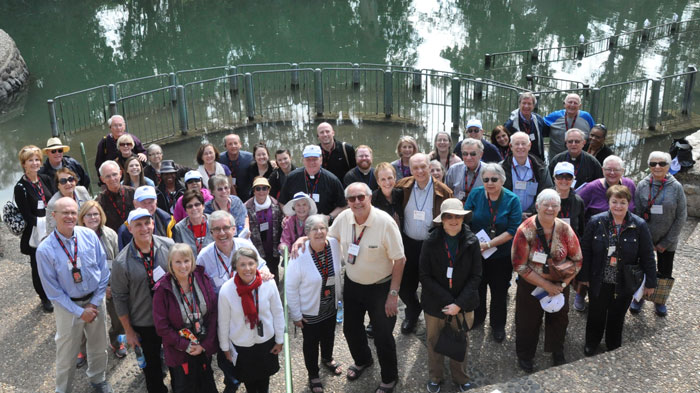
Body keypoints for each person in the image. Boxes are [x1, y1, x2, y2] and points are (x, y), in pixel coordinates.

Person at [293, 182, 405, 393]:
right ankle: (363, 360)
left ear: (370, 197)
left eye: (361, 197)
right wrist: (303, 239)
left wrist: (393, 294)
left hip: (381, 288)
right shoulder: (344, 217)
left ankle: (390, 378)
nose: (357, 202)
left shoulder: (385, 222)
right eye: (352, 199)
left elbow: (400, 260)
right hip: (353, 284)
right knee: (351, 329)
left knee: (383, 336)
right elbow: (327, 237)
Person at [36, 197, 113, 393]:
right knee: (66, 353)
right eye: (65, 213)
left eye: (73, 212)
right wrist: (80, 312)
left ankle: (98, 379)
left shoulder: (88, 235)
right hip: (68, 307)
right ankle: (63, 389)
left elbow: (104, 271)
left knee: (99, 346)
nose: (70, 217)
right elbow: (53, 292)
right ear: (54, 216)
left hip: (95, 301)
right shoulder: (45, 250)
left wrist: (94, 304)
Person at [578, 185, 656, 356]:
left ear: (629, 203)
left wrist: (651, 282)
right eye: (614, 202)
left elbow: (647, 255)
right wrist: (583, 276)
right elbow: (586, 250)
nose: (618, 206)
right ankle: (592, 343)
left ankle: (613, 344)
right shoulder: (596, 221)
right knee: (596, 314)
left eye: (622, 202)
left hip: (624, 280)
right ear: (608, 202)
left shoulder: (639, 225)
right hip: (599, 277)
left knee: (617, 315)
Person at [510, 189, 582, 372]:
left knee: (559, 319)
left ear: (559, 208)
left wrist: (562, 285)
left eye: (554, 205)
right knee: (527, 321)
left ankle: (557, 350)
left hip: (559, 283)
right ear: (537, 206)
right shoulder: (525, 230)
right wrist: (546, 285)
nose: (550, 208)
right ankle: (525, 355)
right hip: (532, 284)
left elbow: (578, 260)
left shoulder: (565, 229)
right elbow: (519, 265)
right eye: (546, 204)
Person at [196, 210, 268, 392]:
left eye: (226, 228)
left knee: (251, 358)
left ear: (234, 229)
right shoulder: (203, 257)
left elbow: (261, 266)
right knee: (227, 358)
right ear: (210, 233)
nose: (222, 233)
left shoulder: (245, 245)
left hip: (249, 315)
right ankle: (232, 381)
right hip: (223, 319)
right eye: (217, 229)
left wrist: (265, 272)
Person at [419, 199, 481, 393]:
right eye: (449, 216)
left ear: (463, 218)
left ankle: (461, 378)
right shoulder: (430, 242)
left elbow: (476, 275)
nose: (454, 220)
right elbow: (424, 275)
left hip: (464, 304)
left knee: (461, 341)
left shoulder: (472, 241)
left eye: (458, 216)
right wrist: (448, 301)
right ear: (442, 220)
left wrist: (459, 304)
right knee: (434, 341)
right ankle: (435, 377)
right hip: (436, 303)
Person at [112, 208, 174, 393]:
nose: (144, 228)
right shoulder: (121, 262)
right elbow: (120, 298)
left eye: (147, 223)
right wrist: (129, 331)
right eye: (138, 225)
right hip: (144, 322)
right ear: (130, 229)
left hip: (171, 318)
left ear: (153, 224)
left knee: (177, 361)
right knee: (152, 368)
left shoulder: (169, 246)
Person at [395, 153, 453, 335]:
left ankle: (433, 319)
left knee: (432, 285)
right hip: (408, 244)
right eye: (415, 168)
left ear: (430, 167)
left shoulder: (444, 192)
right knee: (405, 286)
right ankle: (412, 311)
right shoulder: (402, 187)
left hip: (431, 246)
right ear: (410, 169)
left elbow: (449, 221)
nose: (419, 171)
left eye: (423, 167)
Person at [285, 215, 343, 393]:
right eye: (314, 229)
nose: (319, 232)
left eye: (322, 228)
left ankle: (327, 358)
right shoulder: (298, 255)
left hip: (330, 305)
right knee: (310, 343)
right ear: (307, 233)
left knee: (329, 335)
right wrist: (295, 314)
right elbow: (290, 287)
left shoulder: (334, 244)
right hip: (310, 310)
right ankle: (313, 374)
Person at [464, 163, 522, 342]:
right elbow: (465, 220)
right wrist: (474, 242)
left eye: (494, 179)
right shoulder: (475, 194)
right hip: (477, 253)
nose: (490, 183)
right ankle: (479, 318)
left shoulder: (512, 199)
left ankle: (497, 326)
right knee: (478, 288)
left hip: (501, 255)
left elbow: (513, 230)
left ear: (502, 180)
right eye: (486, 179)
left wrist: (488, 244)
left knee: (499, 292)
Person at [152, 244, 218, 393]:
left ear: (193, 261)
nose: (183, 266)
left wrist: (205, 344)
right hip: (179, 351)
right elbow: (162, 326)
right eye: (178, 262)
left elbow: (213, 313)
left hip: (202, 346)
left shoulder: (202, 278)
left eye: (186, 261)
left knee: (206, 386)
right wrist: (185, 345)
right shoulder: (163, 289)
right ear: (170, 263)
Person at [217, 247, 285, 393]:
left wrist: (279, 340)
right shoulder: (226, 290)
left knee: (264, 380)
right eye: (242, 265)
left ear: (256, 264)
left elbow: (278, 313)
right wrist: (225, 348)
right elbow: (223, 323)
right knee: (250, 384)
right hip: (242, 346)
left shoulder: (268, 284)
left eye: (251, 264)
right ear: (235, 267)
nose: (247, 269)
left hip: (265, 342)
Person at [631, 151, 687, 317]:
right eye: (653, 163)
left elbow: (681, 216)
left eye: (662, 163)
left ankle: (659, 300)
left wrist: (666, 242)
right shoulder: (642, 185)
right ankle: (639, 297)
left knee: (664, 271)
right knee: (642, 269)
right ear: (648, 166)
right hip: (645, 238)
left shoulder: (676, 187)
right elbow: (638, 214)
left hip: (667, 240)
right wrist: (643, 239)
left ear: (668, 167)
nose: (657, 167)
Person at [78, 201, 126, 360]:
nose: (93, 218)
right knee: (85, 319)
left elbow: (117, 261)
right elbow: (78, 268)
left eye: (95, 214)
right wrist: (100, 289)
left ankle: (117, 341)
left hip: (111, 283)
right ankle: (82, 350)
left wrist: (112, 285)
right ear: (82, 218)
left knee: (118, 315)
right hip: (86, 287)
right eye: (88, 215)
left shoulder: (110, 234)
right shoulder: (75, 237)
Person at [15, 145, 55, 312]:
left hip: (52, 227)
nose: (35, 163)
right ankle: (44, 298)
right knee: (38, 266)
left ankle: (56, 291)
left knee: (55, 262)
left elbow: (53, 202)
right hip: (36, 232)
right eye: (30, 160)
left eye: (37, 159)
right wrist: (44, 226)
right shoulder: (20, 187)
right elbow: (27, 216)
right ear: (24, 164)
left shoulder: (45, 178)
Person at [278, 145, 347, 219]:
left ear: (321, 160)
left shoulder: (332, 180)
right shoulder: (292, 177)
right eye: (308, 159)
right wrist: (288, 217)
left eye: (315, 159)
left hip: (323, 226)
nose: (311, 162)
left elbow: (343, 205)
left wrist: (329, 217)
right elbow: (282, 201)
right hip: (298, 224)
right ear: (303, 160)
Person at [501, 132, 553, 219]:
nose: (520, 147)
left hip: (533, 217)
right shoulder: (501, 168)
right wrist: (515, 213)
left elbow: (546, 192)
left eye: (523, 144)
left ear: (529, 146)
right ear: (510, 146)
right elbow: (497, 194)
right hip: (508, 216)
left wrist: (530, 212)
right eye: (517, 144)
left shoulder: (541, 168)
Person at [245, 177, 283, 282]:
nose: (261, 191)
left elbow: (281, 224)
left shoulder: (276, 204)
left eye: (264, 188)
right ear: (254, 191)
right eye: (258, 189)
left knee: (274, 271)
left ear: (269, 190)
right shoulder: (246, 207)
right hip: (257, 247)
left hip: (273, 246)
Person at [578, 155, 636, 221]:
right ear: (603, 170)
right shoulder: (590, 188)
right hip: (596, 229)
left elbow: (636, 210)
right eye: (608, 169)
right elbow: (577, 211)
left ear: (622, 171)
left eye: (616, 170)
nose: (612, 173)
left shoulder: (630, 184)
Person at [544, 93, 595, 162]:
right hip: (557, 158)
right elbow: (539, 125)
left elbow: (595, 133)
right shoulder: (554, 116)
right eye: (570, 102)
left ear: (580, 106)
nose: (572, 105)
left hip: (580, 159)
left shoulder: (586, 117)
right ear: (564, 104)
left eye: (575, 103)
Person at [504, 92, 548, 161]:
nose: (526, 106)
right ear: (519, 104)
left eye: (529, 104)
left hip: (536, 161)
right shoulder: (511, 124)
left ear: (533, 106)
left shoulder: (538, 120)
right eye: (524, 103)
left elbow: (545, 133)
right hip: (518, 161)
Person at [46, 168, 91, 235]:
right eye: (63, 181)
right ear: (58, 185)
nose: (68, 183)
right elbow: (51, 231)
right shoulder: (53, 204)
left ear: (75, 181)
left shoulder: (82, 191)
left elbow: (92, 212)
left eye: (70, 179)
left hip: (88, 231)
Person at [96, 160, 135, 232]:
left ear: (120, 174)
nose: (112, 179)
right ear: (102, 179)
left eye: (114, 174)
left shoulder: (134, 193)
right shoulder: (99, 202)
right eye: (108, 176)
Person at [173, 190, 214, 257]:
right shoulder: (179, 228)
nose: (194, 208)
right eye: (190, 206)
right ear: (185, 210)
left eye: (197, 204)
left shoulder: (214, 222)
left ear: (203, 206)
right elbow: (179, 253)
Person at [552, 162, 586, 237]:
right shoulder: (546, 198)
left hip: (572, 244)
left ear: (573, 179)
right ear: (554, 178)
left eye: (568, 177)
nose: (564, 180)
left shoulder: (578, 201)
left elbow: (581, 229)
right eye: (560, 176)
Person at [218, 133, 254, 198]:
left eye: (235, 143)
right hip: (227, 195)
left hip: (247, 194)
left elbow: (262, 161)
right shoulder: (219, 159)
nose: (233, 146)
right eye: (230, 144)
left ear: (240, 144)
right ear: (225, 146)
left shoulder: (250, 157)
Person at [371, 162, 404, 228]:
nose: (387, 182)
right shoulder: (372, 199)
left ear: (395, 178)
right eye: (383, 179)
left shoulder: (402, 194)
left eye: (390, 178)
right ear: (378, 182)